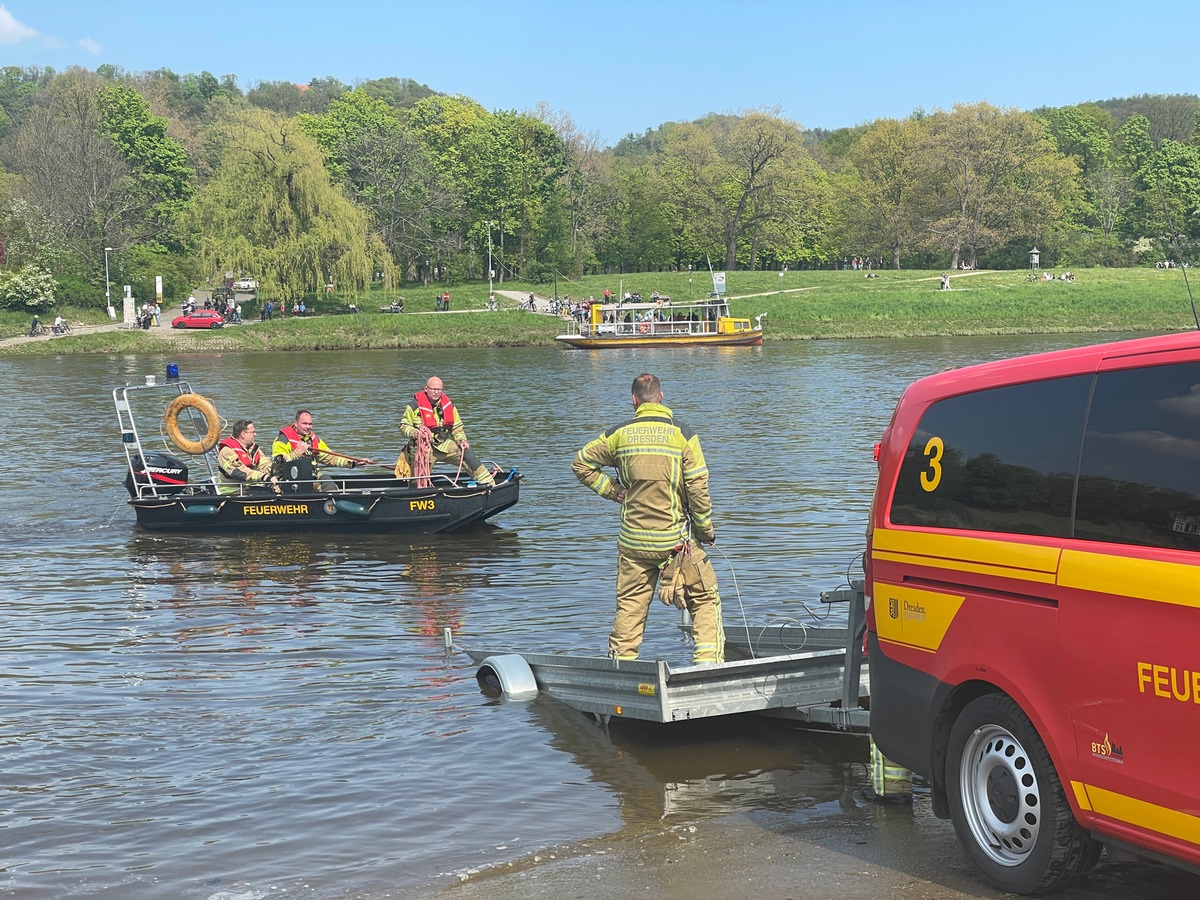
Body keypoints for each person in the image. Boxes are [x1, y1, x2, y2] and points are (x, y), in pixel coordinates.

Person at [572, 373, 724, 665]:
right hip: (676, 544)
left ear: (634, 400)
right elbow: (697, 487)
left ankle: (622, 667)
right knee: (704, 599)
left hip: (633, 544)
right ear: (661, 397)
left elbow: (581, 463)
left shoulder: (618, 435)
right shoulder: (683, 434)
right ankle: (707, 663)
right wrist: (705, 530)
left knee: (629, 608)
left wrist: (614, 492)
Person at [398, 377, 495, 486]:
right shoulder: (414, 406)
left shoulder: (448, 406)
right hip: (422, 449)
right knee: (419, 479)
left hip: (443, 444)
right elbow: (403, 426)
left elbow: (457, 428)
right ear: (426, 389)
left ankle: (489, 484)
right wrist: (415, 433)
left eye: (439, 389)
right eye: (433, 389)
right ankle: (418, 494)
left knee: (467, 453)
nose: (436, 392)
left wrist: (461, 440)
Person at [272, 410, 375, 487]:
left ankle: (332, 506)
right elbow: (277, 463)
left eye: (310, 424)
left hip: (311, 477)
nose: (308, 427)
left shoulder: (314, 440)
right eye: (304, 424)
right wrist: (297, 452)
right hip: (288, 480)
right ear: (295, 424)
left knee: (328, 483)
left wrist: (353, 462)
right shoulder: (282, 440)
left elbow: (330, 457)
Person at [217, 420, 279, 494]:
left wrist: (279, 466)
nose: (255, 434)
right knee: (265, 494)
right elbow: (240, 472)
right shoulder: (227, 451)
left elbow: (265, 465)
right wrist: (264, 477)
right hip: (233, 491)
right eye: (253, 432)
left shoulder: (253, 449)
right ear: (243, 434)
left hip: (251, 487)